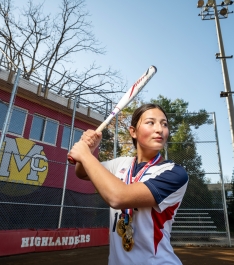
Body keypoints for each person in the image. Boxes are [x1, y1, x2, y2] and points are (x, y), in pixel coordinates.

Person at [68, 103, 189, 265]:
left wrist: (85, 155)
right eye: (151, 122)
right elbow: (82, 172)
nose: (160, 129)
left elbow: (118, 197)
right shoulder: (120, 163)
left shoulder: (175, 173)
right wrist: (89, 149)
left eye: (164, 124)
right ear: (133, 131)